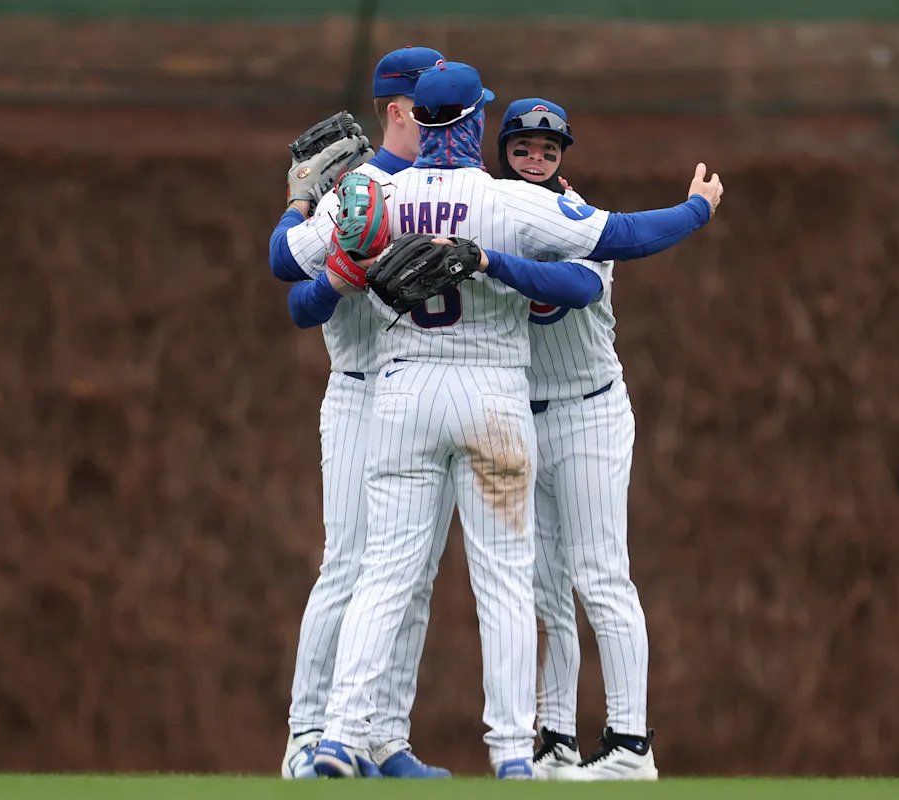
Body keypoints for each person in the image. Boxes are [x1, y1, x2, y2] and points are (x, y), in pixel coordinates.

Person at [304, 61, 723, 779]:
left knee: (384, 573)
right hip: (492, 397)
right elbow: (626, 235)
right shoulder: (508, 201)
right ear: (474, 124)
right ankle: (510, 755)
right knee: (504, 582)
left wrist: (303, 213)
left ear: (418, 122)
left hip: (404, 395)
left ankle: (339, 738)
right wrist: (697, 210)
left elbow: (290, 267)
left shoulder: (375, 195)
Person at [267, 46, 454, 780]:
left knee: (413, 576)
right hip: (360, 392)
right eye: (431, 104)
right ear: (398, 111)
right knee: (348, 566)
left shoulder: (456, 185)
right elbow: (286, 266)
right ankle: (307, 734)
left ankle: (382, 737)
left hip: (428, 395)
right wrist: (300, 205)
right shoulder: (360, 187)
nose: (447, 116)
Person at [496, 98, 657, 781]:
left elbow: (575, 289)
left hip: (589, 412)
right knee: (544, 587)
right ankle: (555, 735)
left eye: (548, 150)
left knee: (599, 574)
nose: (535, 159)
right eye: (523, 148)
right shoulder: (489, 215)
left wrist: (487, 262)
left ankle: (630, 743)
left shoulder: (576, 216)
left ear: (562, 159)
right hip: (523, 415)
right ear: (504, 152)